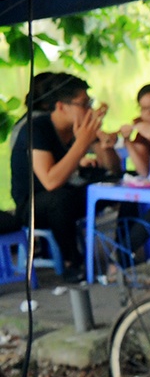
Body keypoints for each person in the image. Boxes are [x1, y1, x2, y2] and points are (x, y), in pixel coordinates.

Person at [7, 72, 119, 271]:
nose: (89, 109)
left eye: (90, 103)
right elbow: (51, 181)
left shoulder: (80, 127)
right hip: (34, 205)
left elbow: (112, 168)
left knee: (121, 182)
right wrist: (82, 143)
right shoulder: (37, 129)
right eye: (83, 104)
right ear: (60, 106)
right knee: (59, 200)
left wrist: (105, 144)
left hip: (69, 191)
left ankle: (121, 253)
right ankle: (72, 262)